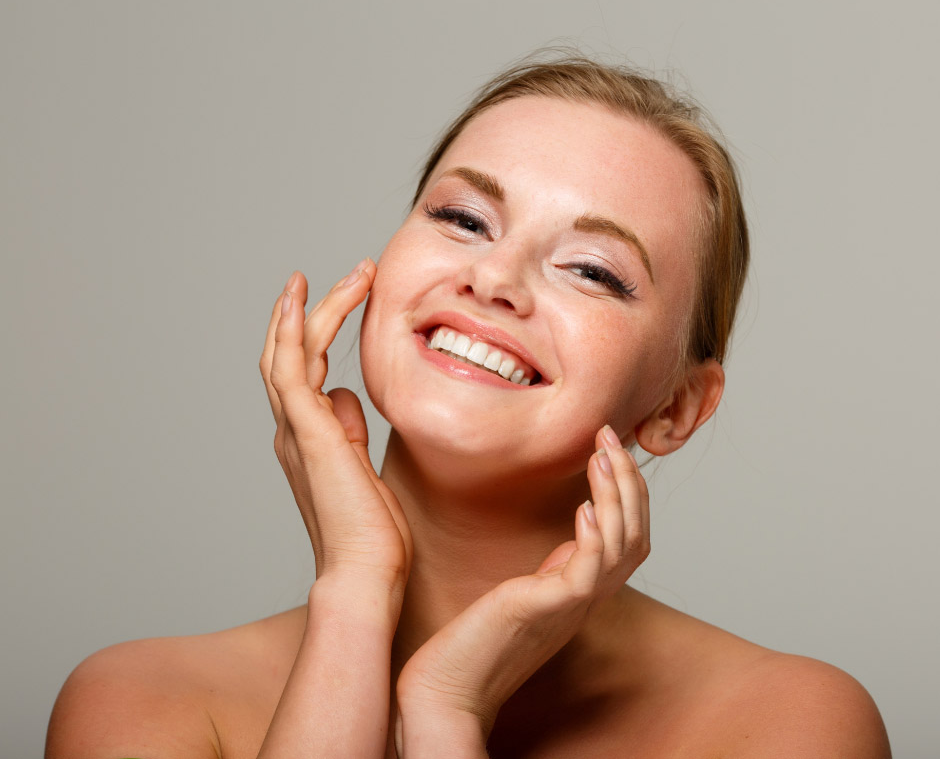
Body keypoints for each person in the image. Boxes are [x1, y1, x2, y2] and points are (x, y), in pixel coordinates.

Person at [46, 53, 891, 758]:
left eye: (591, 269)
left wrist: (447, 713)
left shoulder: (786, 724)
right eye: (463, 218)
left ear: (674, 407)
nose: (492, 280)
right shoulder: (137, 703)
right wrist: (355, 594)